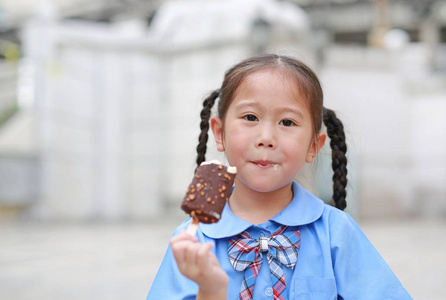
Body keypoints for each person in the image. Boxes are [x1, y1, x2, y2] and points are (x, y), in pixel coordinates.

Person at [147, 54, 412, 299]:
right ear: (219, 132)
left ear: (313, 146)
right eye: (250, 117)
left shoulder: (337, 233)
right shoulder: (192, 242)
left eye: (287, 122)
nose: (266, 139)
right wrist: (210, 290)